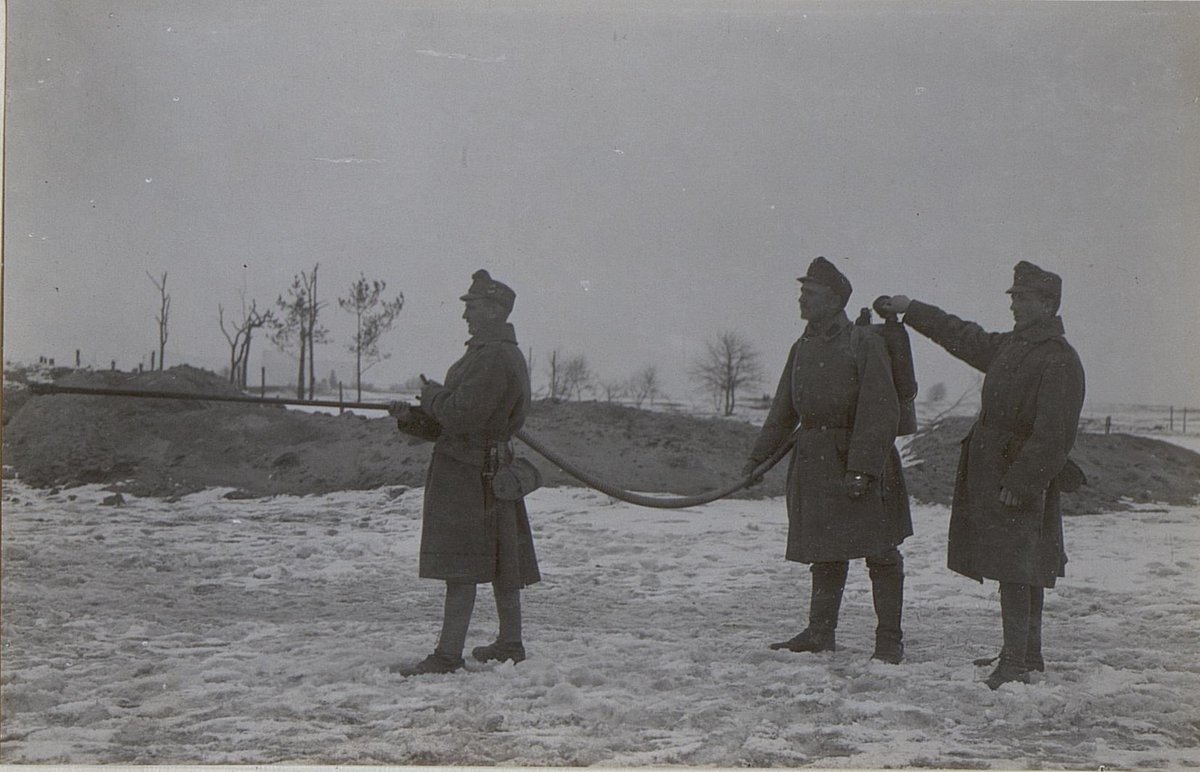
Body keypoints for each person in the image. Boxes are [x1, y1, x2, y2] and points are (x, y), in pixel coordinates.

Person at [876, 260, 1085, 689]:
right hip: (1000, 472)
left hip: (1020, 477)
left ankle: (1016, 661)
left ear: (1048, 304)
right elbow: (961, 335)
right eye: (1012, 297)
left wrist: (1022, 482)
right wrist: (912, 309)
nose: (1013, 305)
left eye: (1022, 298)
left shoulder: (1058, 358)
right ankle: (1027, 653)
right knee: (1019, 563)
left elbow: (1054, 433)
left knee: (1017, 567)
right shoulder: (1014, 347)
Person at [743, 257, 912, 664]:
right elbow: (783, 412)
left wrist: (862, 468)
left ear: (834, 299)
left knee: (881, 551)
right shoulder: (801, 347)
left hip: (858, 458)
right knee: (825, 550)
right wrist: (755, 463)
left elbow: (880, 409)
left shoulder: (864, 342)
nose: (802, 299)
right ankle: (821, 632)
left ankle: (889, 639)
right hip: (815, 462)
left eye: (810, 293)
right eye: (802, 292)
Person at [389, 269, 540, 676]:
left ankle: (447, 656)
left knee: (462, 567)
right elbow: (455, 420)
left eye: (472, 308)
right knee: (501, 563)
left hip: (471, 474)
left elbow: (461, 413)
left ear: (493, 310)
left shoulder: (492, 357)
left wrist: (432, 394)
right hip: (486, 470)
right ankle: (510, 644)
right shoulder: (491, 353)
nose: (465, 316)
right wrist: (411, 419)